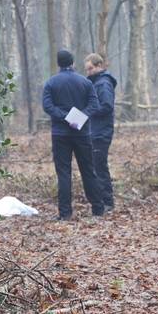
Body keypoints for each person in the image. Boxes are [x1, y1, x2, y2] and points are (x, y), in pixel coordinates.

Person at [41, 49, 104, 220]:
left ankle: (65, 213)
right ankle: (98, 208)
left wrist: (64, 117)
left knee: (63, 173)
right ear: (73, 63)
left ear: (58, 64)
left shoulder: (51, 83)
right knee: (88, 170)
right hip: (82, 133)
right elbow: (94, 104)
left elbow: (47, 106)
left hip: (60, 134)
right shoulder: (85, 82)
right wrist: (78, 118)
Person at [84, 53, 117, 213]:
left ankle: (107, 202)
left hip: (101, 132)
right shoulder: (96, 83)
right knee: (96, 166)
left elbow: (106, 106)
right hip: (95, 131)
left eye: (90, 68)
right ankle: (103, 200)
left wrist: (88, 111)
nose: (88, 72)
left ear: (99, 66)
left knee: (99, 167)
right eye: (87, 69)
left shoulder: (103, 84)